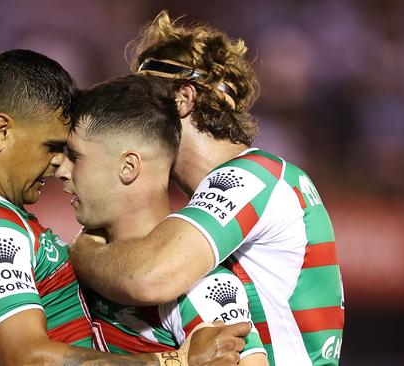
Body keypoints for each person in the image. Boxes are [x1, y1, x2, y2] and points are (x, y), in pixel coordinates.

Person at [0, 49, 250, 366]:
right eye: (52, 147)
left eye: (71, 154)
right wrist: (170, 363)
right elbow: (27, 359)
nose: (58, 166)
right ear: (1, 131)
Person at [69, 11, 344, 366]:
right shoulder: (253, 181)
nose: (131, 117)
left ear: (183, 99)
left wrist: (82, 251)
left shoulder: (252, 177)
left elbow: (150, 277)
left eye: (144, 99)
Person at [55, 74, 268, 366]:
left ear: (128, 166)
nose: (61, 170)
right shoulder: (73, 260)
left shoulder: (199, 288)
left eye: (75, 157)